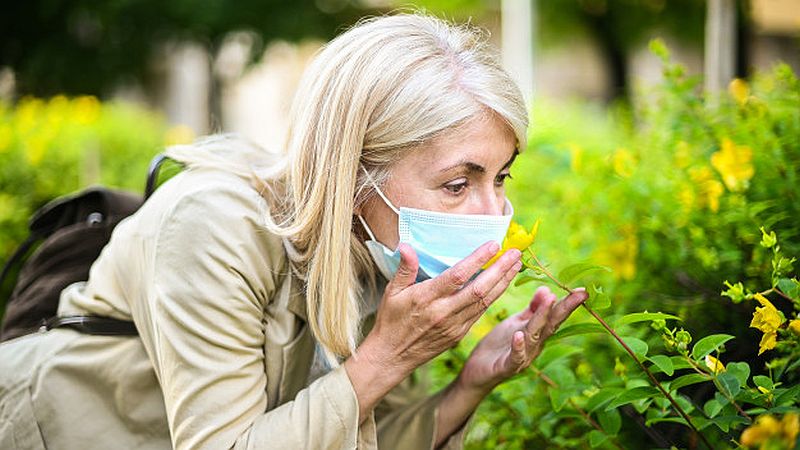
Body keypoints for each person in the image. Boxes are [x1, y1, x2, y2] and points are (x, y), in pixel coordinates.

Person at [0, 12, 588, 450]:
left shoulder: (384, 254)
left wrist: (469, 383)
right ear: (355, 172)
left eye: (501, 179)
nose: (491, 214)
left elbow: (363, 433)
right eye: (459, 185)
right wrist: (385, 357)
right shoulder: (212, 224)